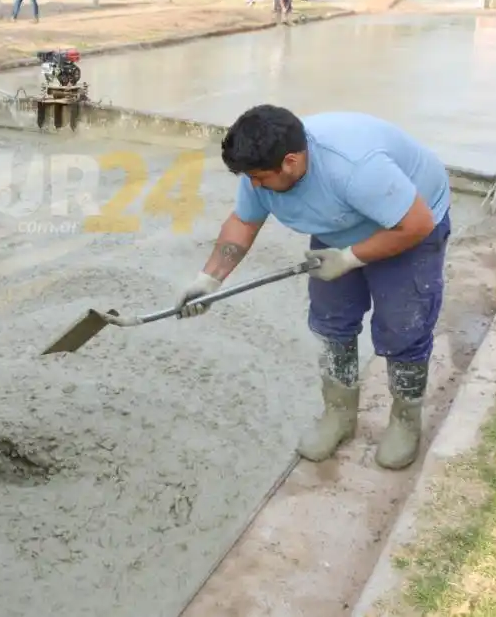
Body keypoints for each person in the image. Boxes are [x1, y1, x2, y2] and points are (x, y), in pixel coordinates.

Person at [174, 105, 452, 471]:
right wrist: (209, 278)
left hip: (409, 224)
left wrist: (350, 259)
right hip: (339, 225)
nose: (254, 185)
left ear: (291, 161)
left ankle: (405, 420)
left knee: (404, 326)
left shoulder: (354, 168)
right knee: (331, 321)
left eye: (259, 178)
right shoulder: (262, 166)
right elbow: (243, 220)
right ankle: (339, 414)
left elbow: (416, 224)